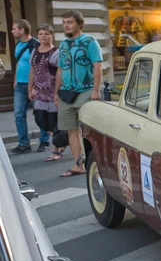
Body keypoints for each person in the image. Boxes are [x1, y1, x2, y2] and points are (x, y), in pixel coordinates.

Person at [55, 10, 103, 177]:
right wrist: (56, 93)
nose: (66, 25)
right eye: (64, 22)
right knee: (71, 130)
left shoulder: (89, 42)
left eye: (70, 22)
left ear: (79, 24)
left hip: (86, 90)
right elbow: (61, 69)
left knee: (87, 130)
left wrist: (96, 91)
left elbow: (97, 66)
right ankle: (78, 165)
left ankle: (97, 162)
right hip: (66, 93)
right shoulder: (63, 44)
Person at [10, 19, 50, 154]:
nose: (12, 31)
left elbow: (39, 68)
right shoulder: (18, 45)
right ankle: (24, 144)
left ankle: (44, 141)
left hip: (34, 86)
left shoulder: (35, 45)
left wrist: (34, 86)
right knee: (19, 114)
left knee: (40, 113)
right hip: (20, 86)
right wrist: (15, 80)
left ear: (22, 30)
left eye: (14, 29)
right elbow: (19, 63)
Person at [28, 24, 64, 162]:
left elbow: (61, 72)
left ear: (52, 35)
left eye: (47, 34)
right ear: (38, 36)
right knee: (41, 121)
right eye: (41, 34)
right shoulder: (35, 51)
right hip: (39, 92)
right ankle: (62, 139)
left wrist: (57, 92)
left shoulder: (56, 52)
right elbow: (32, 70)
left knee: (53, 122)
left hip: (53, 92)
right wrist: (30, 88)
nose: (44, 36)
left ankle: (55, 150)